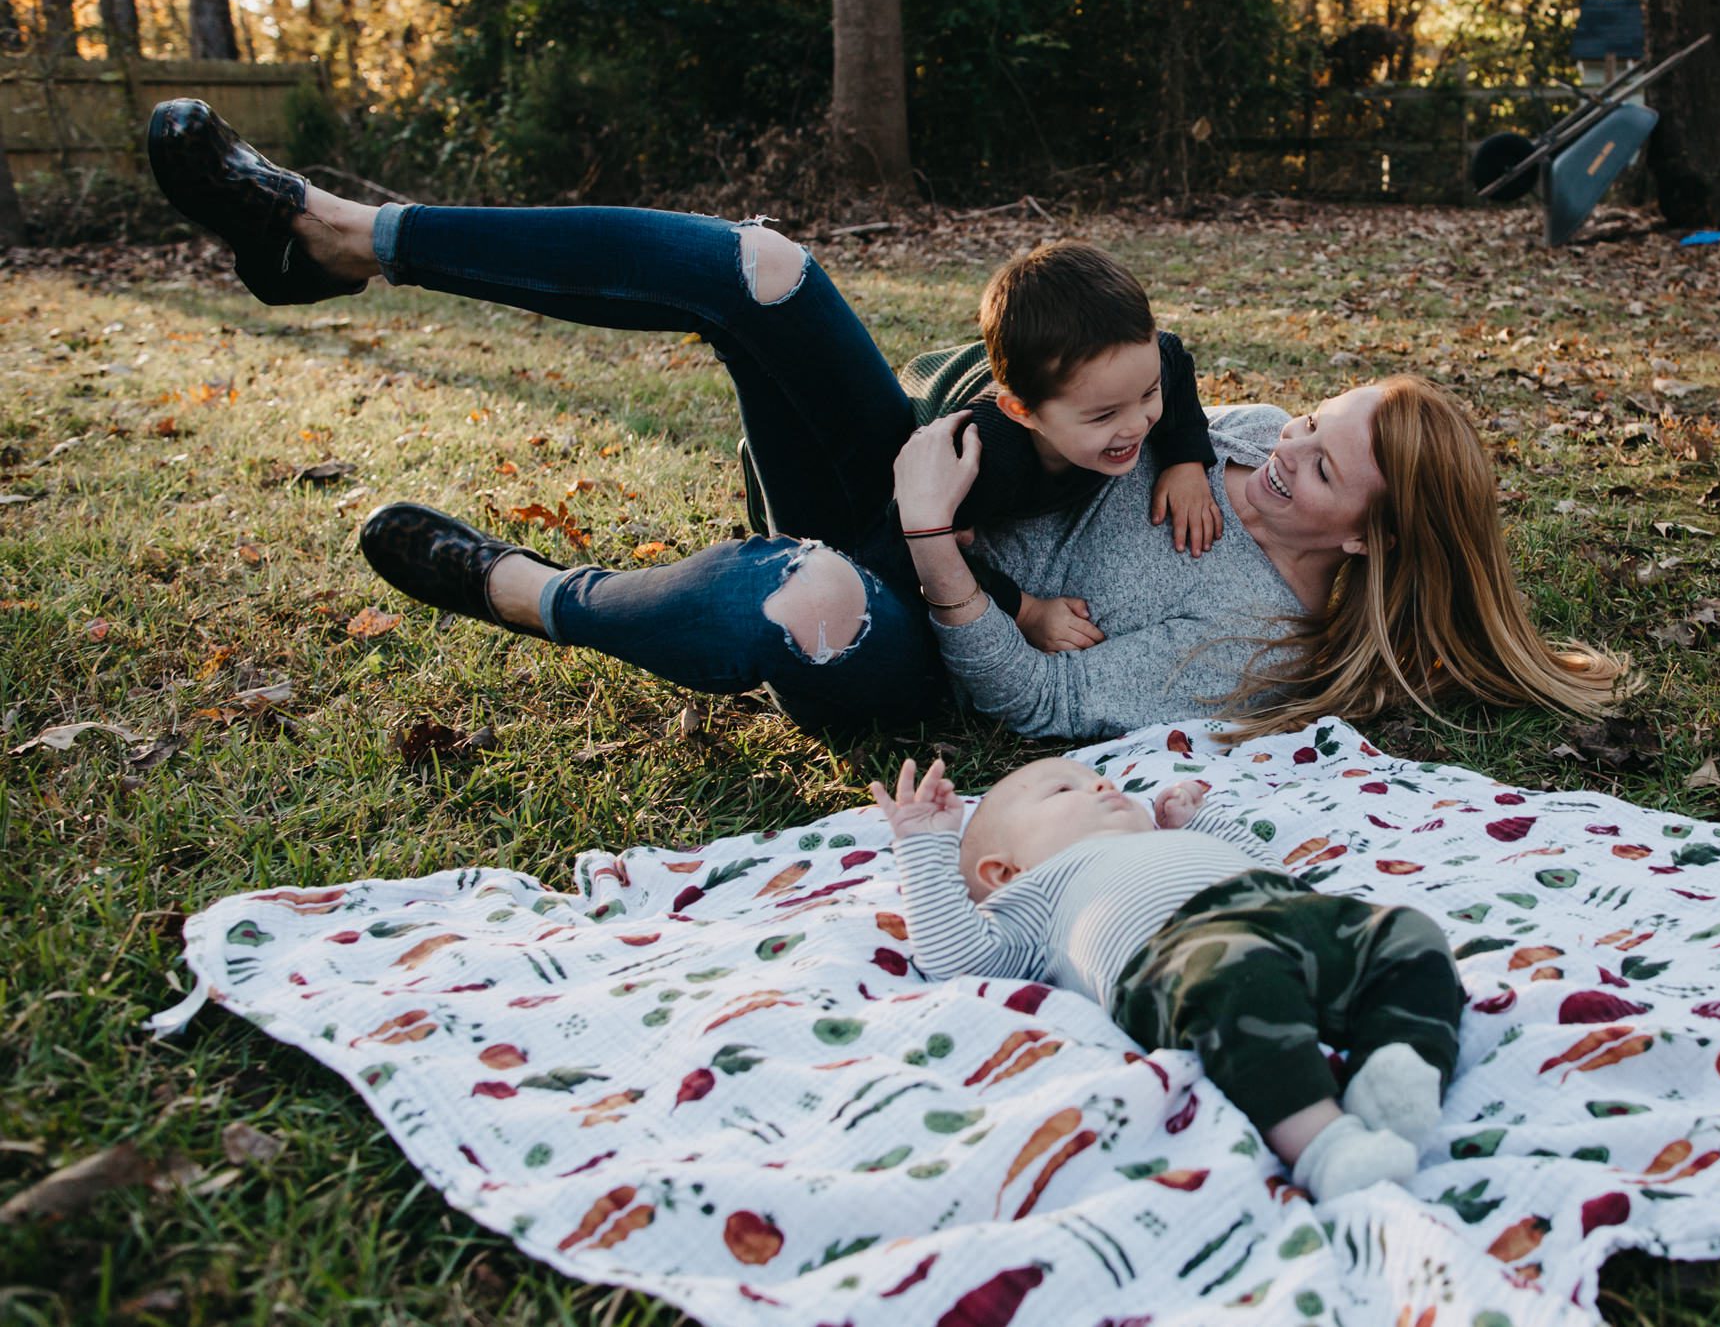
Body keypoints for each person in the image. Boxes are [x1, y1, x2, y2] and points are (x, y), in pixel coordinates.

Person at [145, 98, 1626, 741]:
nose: (1272, 440)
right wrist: (1173, 439)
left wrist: (937, 548)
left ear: (1364, 537)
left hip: (908, 614)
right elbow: (1165, 370)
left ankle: (518, 586)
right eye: (1304, 414)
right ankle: (339, 234)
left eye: (1315, 459)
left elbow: (1036, 706)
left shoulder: (1256, 644)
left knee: (807, 593)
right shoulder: (1225, 438)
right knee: (768, 265)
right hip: (912, 471)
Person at [872, 755, 1460, 1199]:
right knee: (1235, 986)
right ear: (1005, 870)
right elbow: (955, 957)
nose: (1102, 784)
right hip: (1179, 956)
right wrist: (924, 848)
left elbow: (1277, 875)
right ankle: (1324, 1144)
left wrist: (1203, 822)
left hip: (1285, 910)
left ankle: (1399, 1063)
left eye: (1099, 778)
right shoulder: (1033, 895)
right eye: (1063, 790)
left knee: (1407, 933)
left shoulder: (1173, 840)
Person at [883, 240, 1224, 656]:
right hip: (931, 387)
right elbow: (906, 540)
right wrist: (1025, 611)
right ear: (1022, 412)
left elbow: (1173, 355)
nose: (1137, 425)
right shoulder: (982, 461)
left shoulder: (1138, 368)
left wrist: (1184, 458)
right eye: (1104, 416)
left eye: (1148, 393)